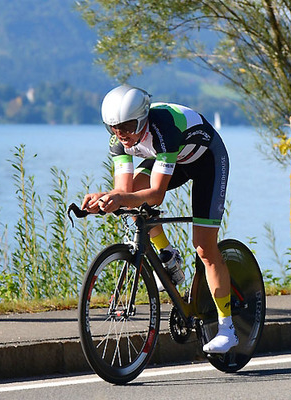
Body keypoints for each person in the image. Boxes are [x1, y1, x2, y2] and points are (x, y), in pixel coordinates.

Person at [81, 84, 238, 354]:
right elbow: (124, 191)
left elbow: (155, 195)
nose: (123, 135)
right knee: (130, 204)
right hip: (174, 160)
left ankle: (228, 328)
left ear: (143, 118)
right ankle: (167, 255)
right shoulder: (119, 141)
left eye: (129, 127)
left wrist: (120, 198)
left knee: (204, 248)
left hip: (206, 162)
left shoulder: (164, 128)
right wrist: (105, 199)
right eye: (115, 129)